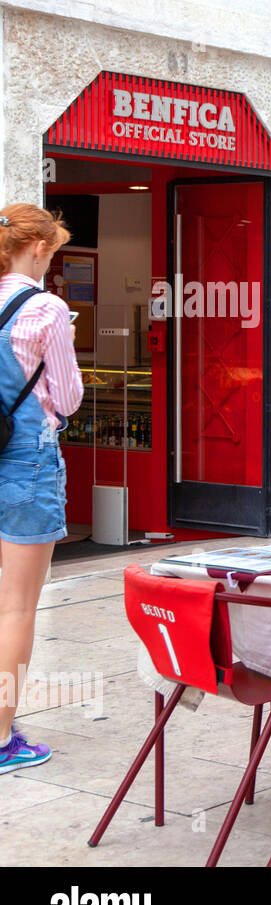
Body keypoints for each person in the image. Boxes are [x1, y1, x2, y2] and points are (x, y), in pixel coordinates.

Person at [0, 204, 81, 775]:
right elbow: (70, 397)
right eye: (52, 252)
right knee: (16, 608)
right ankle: (2, 737)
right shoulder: (46, 308)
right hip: (25, 460)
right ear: (38, 249)